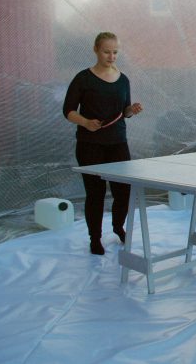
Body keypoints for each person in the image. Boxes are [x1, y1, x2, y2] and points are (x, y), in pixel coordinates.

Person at [63, 32, 143, 255]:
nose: (111, 56)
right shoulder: (83, 79)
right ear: (96, 50)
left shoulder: (123, 80)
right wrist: (85, 122)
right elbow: (68, 110)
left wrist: (132, 110)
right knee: (95, 194)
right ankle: (95, 238)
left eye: (115, 52)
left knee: (123, 191)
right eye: (107, 52)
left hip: (118, 143)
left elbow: (124, 112)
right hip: (90, 144)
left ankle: (118, 227)